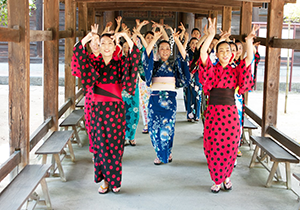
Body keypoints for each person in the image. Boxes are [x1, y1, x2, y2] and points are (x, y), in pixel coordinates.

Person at [73, 28, 140, 194]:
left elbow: (135, 56)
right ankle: (104, 181)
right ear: (99, 46)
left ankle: (115, 181)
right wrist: (88, 37)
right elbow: (78, 53)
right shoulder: (93, 63)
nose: (106, 46)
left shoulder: (120, 63)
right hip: (97, 111)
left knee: (115, 146)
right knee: (100, 146)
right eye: (103, 43)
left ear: (115, 45)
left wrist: (125, 36)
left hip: (116, 110)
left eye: (110, 43)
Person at [197, 17, 258, 193]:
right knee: (214, 146)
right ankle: (216, 179)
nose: (225, 53)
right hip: (214, 113)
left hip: (230, 114)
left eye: (228, 50)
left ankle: (227, 177)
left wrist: (248, 42)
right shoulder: (211, 68)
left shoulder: (235, 70)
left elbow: (248, 60)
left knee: (230, 146)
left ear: (232, 54)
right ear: (216, 54)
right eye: (221, 50)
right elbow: (202, 54)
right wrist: (210, 35)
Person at [143, 28, 190, 165]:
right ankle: (159, 152)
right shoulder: (154, 64)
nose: (164, 51)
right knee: (153, 128)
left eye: (167, 49)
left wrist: (176, 41)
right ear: (158, 50)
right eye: (161, 48)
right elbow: (146, 56)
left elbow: (183, 57)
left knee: (168, 128)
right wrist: (154, 40)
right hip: (155, 100)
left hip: (169, 101)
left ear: (170, 51)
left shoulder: (174, 64)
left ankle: (166, 153)